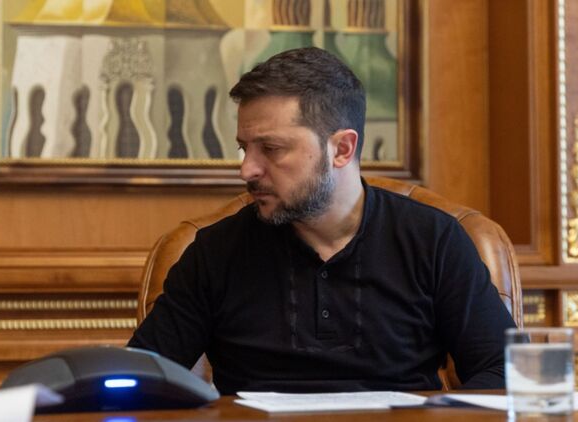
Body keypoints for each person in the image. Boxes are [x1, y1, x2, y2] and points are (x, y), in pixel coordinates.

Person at [128, 47, 517, 394]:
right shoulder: (215, 252)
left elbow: (505, 371)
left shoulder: (433, 240)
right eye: (245, 148)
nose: (247, 169)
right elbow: (136, 380)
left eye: (271, 148)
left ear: (342, 148)